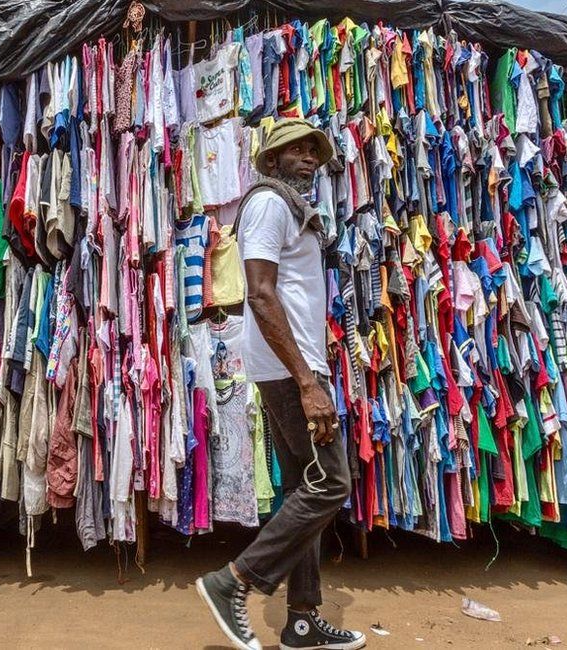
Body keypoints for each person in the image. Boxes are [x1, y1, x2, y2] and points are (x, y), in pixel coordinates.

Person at [196, 119, 366, 650]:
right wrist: (307, 381)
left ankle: (301, 621)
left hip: (295, 366)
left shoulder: (293, 210)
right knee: (332, 483)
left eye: (314, 151)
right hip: (290, 372)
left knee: (301, 486)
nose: (309, 159)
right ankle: (235, 581)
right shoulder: (269, 204)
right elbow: (262, 295)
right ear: (270, 161)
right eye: (295, 151)